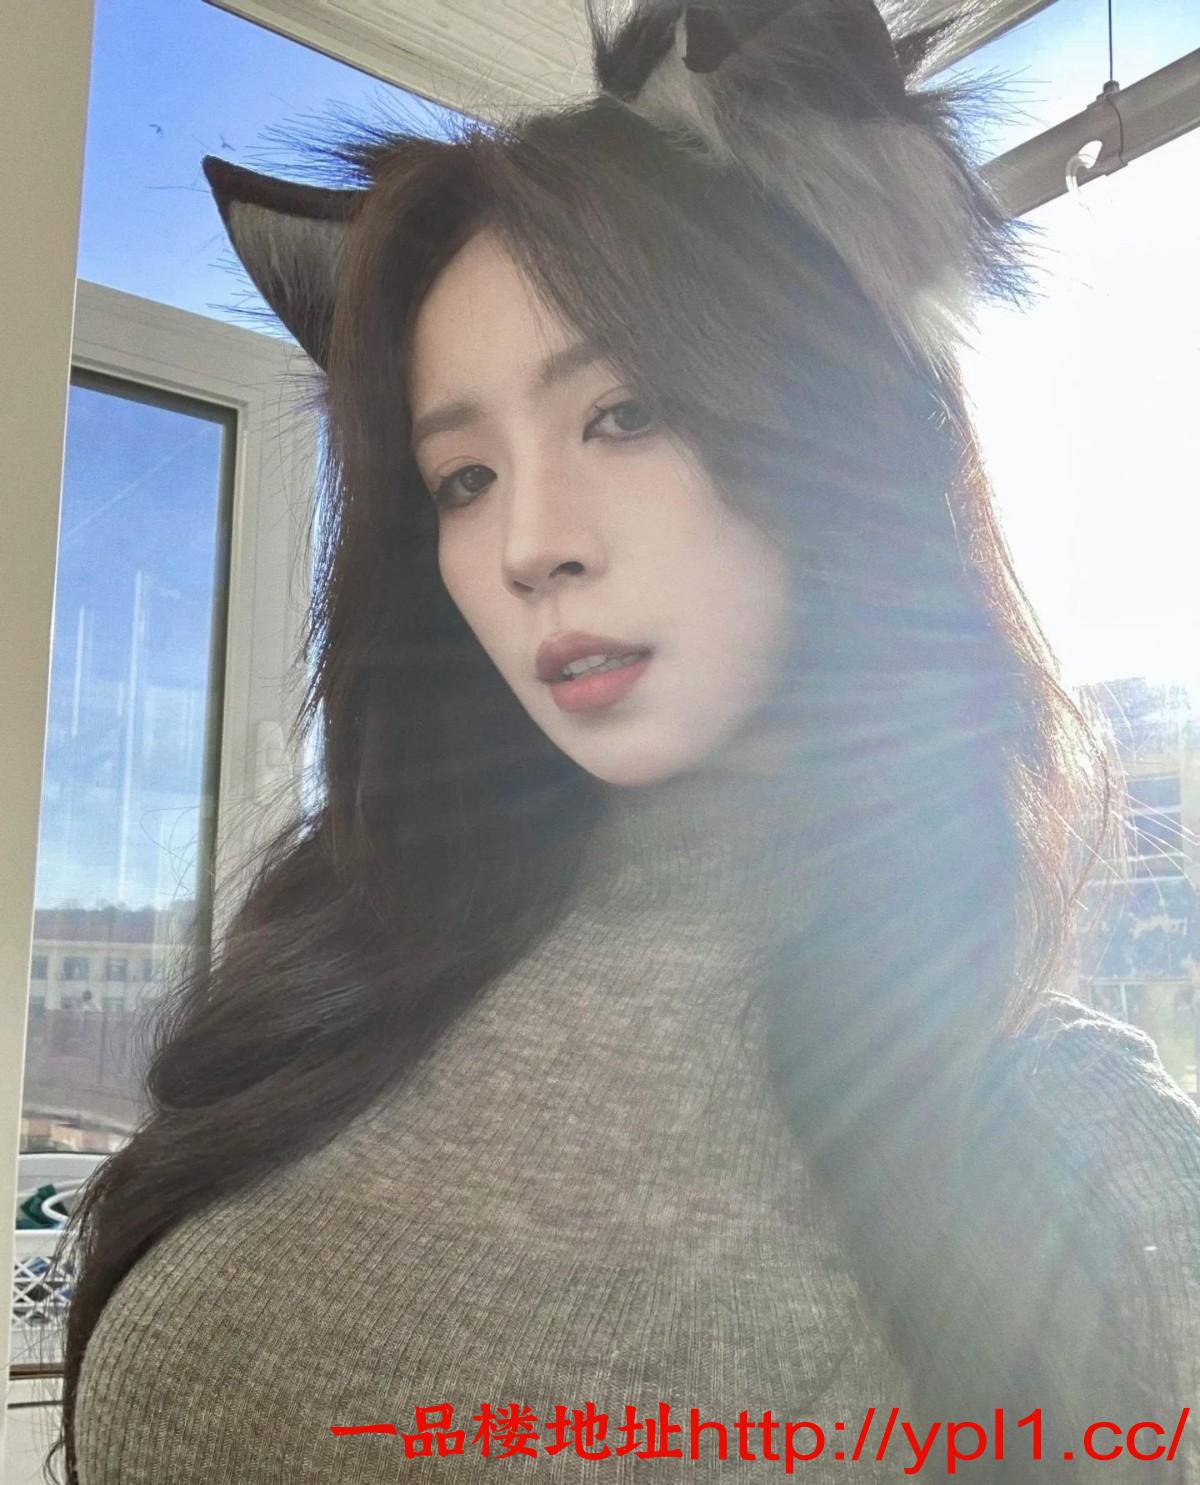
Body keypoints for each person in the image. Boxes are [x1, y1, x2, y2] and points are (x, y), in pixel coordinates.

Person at [54, 1, 1200, 1481]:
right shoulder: (332, 988)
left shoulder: (1093, 1164)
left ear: (838, 431)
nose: (529, 543)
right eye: (462, 477)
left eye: (625, 412)